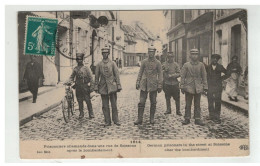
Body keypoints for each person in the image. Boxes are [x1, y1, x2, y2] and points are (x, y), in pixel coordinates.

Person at [134, 45, 163, 125]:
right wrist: (138, 81)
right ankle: (139, 119)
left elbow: (160, 74)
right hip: (144, 84)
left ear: (154, 53)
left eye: (152, 52)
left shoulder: (158, 63)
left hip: (153, 84)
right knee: (141, 102)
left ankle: (152, 118)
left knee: (153, 102)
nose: (151, 54)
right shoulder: (144, 62)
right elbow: (140, 72)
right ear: (148, 53)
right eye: (149, 52)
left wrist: (160, 85)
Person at [94, 45, 122, 127]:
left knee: (114, 104)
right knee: (105, 105)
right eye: (103, 53)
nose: (105, 54)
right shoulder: (99, 64)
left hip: (112, 86)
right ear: (102, 54)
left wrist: (118, 85)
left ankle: (116, 120)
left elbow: (117, 75)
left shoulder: (113, 63)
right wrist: (96, 86)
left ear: (108, 53)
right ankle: (107, 121)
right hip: (103, 87)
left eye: (106, 53)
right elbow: (96, 76)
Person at [180, 48, 207, 126]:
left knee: (197, 104)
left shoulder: (201, 65)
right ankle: (187, 118)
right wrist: (182, 86)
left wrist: (205, 87)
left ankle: (197, 118)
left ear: (198, 56)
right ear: (190, 55)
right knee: (188, 104)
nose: (194, 56)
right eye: (193, 54)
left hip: (198, 87)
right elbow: (182, 76)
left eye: (196, 54)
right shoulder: (186, 65)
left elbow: (204, 76)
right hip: (188, 87)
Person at [69, 53, 94, 119]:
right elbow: (71, 77)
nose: (79, 61)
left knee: (87, 100)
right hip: (78, 87)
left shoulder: (86, 68)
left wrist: (92, 87)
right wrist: (72, 82)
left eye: (80, 59)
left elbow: (91, 78)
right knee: (79, 100)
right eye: (77, 59)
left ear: (82, 60)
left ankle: (91, 113)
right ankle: (81, 113)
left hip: (85, 86)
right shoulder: (75, 69)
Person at [206, 54, 228, 124]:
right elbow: (204, 75)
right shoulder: (208, 67)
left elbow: (227, 73)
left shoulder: (220, 67)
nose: (215, 60)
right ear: (211, 59)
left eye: (216, 59)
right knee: (210, 101)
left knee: (217, 101)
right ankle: (211, 115)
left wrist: (221, 78)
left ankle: (217, 116)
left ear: (217, 60)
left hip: (218, 87)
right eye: (213, 58)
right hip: (210, 87)